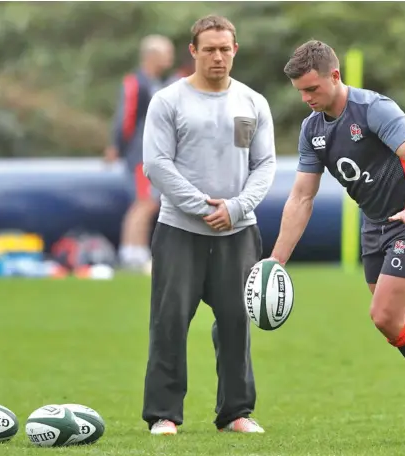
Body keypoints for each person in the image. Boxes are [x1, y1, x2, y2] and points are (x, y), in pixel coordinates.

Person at [265, 40, 405, 444]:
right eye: (301, 92)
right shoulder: (312, 129)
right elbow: (302, 197)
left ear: (335, 76)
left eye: (313, 89)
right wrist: (276, 259)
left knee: (384, 316)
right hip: (375, 225)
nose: (306, 99)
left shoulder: (374, 108)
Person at [141, 15, 276, 436]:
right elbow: (156, 165)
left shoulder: (253, 102)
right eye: (209, 48)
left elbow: (265, 164)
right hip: (180, 230)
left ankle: (236, 413)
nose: (218, 56)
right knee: (169, 321)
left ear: (235, 50)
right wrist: (203, 207)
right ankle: (164, 415)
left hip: (238, 231)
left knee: (237, 321)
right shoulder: (168, 101)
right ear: (193, 51)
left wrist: (235, 208)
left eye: (225, 48)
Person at [104, 34, 175, 274]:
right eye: (166, 53)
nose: (170, 58)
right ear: (152, 55)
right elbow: (126, 117)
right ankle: (132, 253)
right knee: (143, 203)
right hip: (139, 153)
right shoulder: (137, 82)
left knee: (148, 203)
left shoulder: (157, 83)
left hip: (153, 152)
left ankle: (136, 252)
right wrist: (117, 146)